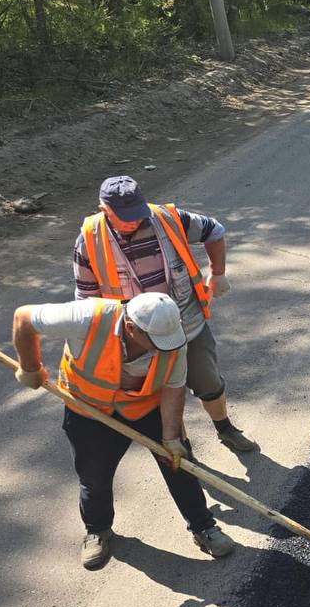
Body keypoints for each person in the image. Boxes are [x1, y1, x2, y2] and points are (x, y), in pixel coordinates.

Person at [13, 292, 237, 570]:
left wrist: (170, 437)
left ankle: (204, 527)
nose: (163, 349)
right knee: (94, 477)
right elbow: (23, 317)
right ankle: (98, 530)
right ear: (131, 328)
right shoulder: (86, 317)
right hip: (87, 409)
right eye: (155, 343)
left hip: (145, 406)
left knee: (179, 463)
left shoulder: (172, 339)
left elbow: (173, 387)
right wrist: (30, 367)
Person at [74, 176, 256, 453]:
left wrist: (217, 274)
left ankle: (225, 428)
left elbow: (215, 231)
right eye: (125, 218)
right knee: (160, 397)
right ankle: (182, 450)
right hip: (136, 339)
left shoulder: (170, 219)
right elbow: (86, 301)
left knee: (208, 381)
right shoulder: (89, 241)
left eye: (138, 214)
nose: (135, 221)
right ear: (104, 210)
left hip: (186, 326)